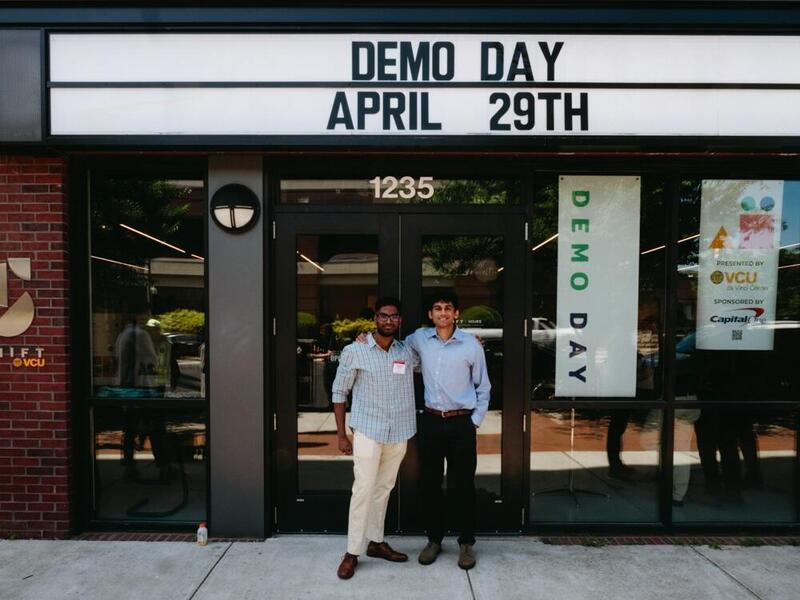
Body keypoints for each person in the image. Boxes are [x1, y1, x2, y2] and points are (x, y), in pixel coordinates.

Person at [332, 297, 418, 580]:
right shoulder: (355, 350)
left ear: (400, 321)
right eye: (383, 316)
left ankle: (376, 542)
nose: (389, 321)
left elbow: (437, 354)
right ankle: (352, 551)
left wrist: (473, 343)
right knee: (364, 489)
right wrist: (341, 434)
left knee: (384, 488)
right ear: (375, 319)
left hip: (399, 431)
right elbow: (339, 393)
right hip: (368, 430)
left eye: (394, 317)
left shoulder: (407, 351)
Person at [407, 290, 490, 571]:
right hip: (431, 422)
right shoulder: (419, 338)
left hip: (461, 424)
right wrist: (365, 338)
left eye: (448, 308)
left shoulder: (471, 345)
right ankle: (434, 540)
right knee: (429, 484)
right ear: (430, 315)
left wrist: (474, 420)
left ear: (456, 314)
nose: (443, 312)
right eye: (437, 308)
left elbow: (484, 386)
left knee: (462, 485)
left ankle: (466, 543)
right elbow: (392, 346)